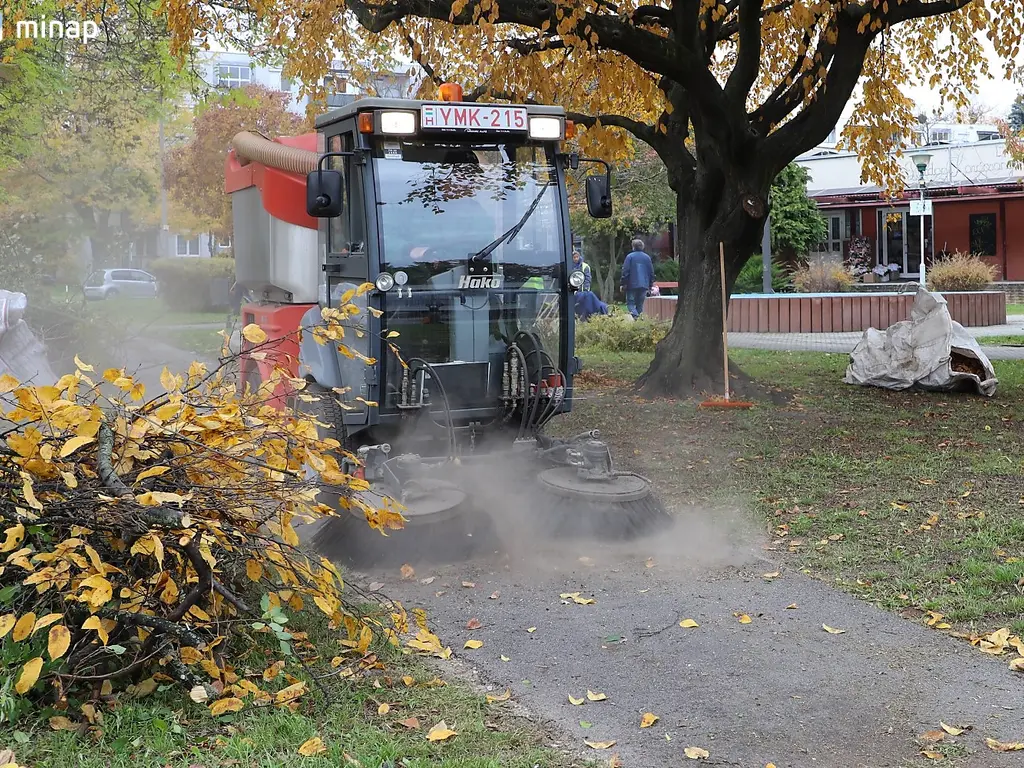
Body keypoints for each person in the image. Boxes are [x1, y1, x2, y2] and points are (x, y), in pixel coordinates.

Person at [620, 238, 655, 318]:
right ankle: (638, 320)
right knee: (640, 305)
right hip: (644, 285)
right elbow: (651, 272)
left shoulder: (629, 257)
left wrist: (623, 283)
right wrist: (650, 285)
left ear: (633, 247)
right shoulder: (647, 258)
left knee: (630, 303)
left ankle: (635, 316)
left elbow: (626, 271)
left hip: (631, 285)